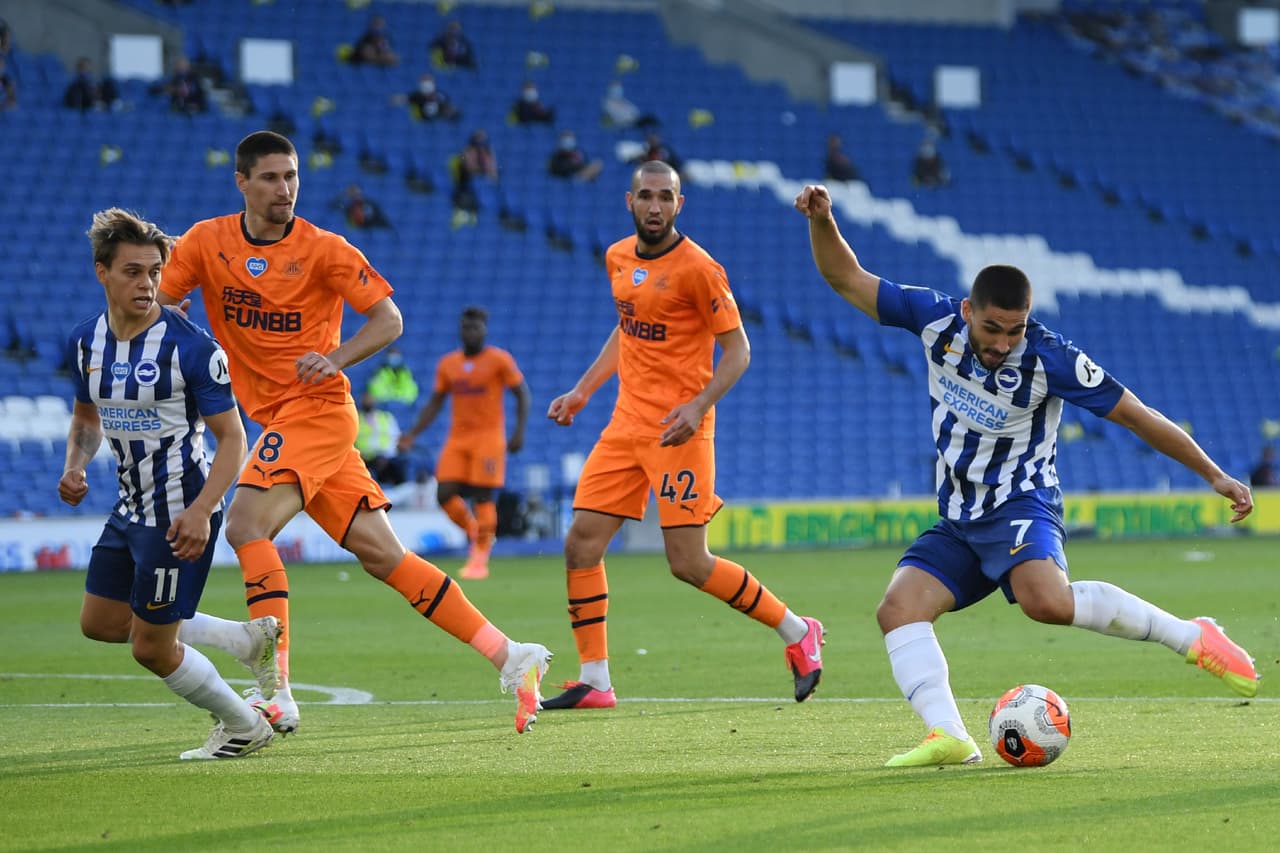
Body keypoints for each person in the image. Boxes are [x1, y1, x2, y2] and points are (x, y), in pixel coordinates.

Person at [793, 183, 1260, 767]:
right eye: (993, 329)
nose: (1004, 342)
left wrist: (1214, 474)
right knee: (898, 609)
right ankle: (951, 737)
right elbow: (847, 278)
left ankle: (1194, 638)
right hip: (960, 514)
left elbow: (1138, 416)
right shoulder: (934, 321)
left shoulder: (1050, 358)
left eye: (1015, 329)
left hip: (1021, 501)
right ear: (968, 311)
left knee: (1048, 604)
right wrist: (822, 221)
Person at [158, 131, 551, 737]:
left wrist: (335, 358)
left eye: (291, 176)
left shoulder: (325, 248)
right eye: (270, 177)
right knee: (384, 556)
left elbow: (389, 318)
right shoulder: (206, 243)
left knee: (243, 526)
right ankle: (510, 654)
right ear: (242, 182)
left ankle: (277, 692)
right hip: (284, 420)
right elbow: (163, 305)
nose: (284, 188)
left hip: (316, 410)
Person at [540, 161, 825, 711]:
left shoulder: (700, 269)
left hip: (680, 431)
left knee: (688, 564)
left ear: (679, 204)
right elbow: (627, 331)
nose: (654, 206)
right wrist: (581, 392)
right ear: (629, 201)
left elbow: (739, 351)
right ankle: (595, 680)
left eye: (664, 197)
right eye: (645, 196)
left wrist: (698, 406)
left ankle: (796, 630)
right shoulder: (617, 257)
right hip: (625, 425)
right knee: (581, 543)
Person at [62, 207, 282, 761]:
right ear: (102, 273)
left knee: (151, 647)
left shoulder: (192, 348)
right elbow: (87, 419)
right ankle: (243, 640)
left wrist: (202, 512)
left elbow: (233, 440)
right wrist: (76, 465)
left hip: (181, 509)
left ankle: (241, 725)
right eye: (133, 271)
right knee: (101, 621)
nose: (147, 283)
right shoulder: (86, 343)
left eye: (154, 271)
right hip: (129, 507)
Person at [398, 306, 530, 580]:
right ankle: (476, 533)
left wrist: (518, 432)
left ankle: (479, 559)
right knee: (443, 493)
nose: (470, 332)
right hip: (458, 438)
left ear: (484, 330)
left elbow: (521, 394)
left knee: (483, 495)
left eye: (475, 327)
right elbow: (435, 402)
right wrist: (412, 433)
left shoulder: (498, 360)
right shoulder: (448, 364)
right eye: (465, 327)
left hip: (488, 438)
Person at [357, 392, 407, 486]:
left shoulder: (387, 417)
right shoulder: (357, 419)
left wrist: (387, 454)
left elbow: (396, 438)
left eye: (370, 398)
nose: (368, 401)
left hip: (387, 457)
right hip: (366, 458)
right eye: (365, 398)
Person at [393, 72, 459, 122]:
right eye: (424, 81)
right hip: (423, 123)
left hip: (438, 123)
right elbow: (400, 100)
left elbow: (448, 107)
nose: (427, 84)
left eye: (429, 80)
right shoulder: (416, 96)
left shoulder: (441, 95)